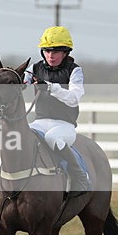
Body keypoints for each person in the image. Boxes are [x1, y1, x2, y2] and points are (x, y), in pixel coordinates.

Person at [23, 25, 90, 197]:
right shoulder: (34, 68)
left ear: (66, 52)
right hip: (39, 122)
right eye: (47, 51)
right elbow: (22, 83)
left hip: (64, 125)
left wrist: (51, 88)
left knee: (52, 138)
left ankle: (80, 176)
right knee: (22, 137)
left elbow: (74, 98)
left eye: (56, 51)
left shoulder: (74, 70)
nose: (50, 55)